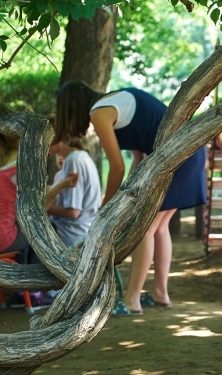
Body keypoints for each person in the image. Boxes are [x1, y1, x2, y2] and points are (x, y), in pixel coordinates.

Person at [53, 82, 207, 314]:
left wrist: (106, 210)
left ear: (72, 107)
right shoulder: (118, 101)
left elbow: (116, 168)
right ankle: (159, 292)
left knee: (143, 228)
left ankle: (131, 299)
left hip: (178, 158)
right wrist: (131, 193)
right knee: (159, 227)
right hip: (189, 153)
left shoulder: (100, 112)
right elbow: (138, 156)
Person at [0, 128, 76, 260]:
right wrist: (61, 185)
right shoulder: (23, 166)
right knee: (45, 228)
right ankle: (32, 278)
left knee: (21, 228)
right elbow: (37, 213)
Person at [47, 137, 101, 248]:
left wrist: (40, 207)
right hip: (84, 229)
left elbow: (73, 212)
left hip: (70, 233)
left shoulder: (73, 160)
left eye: (44, 138)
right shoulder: (82, 157)